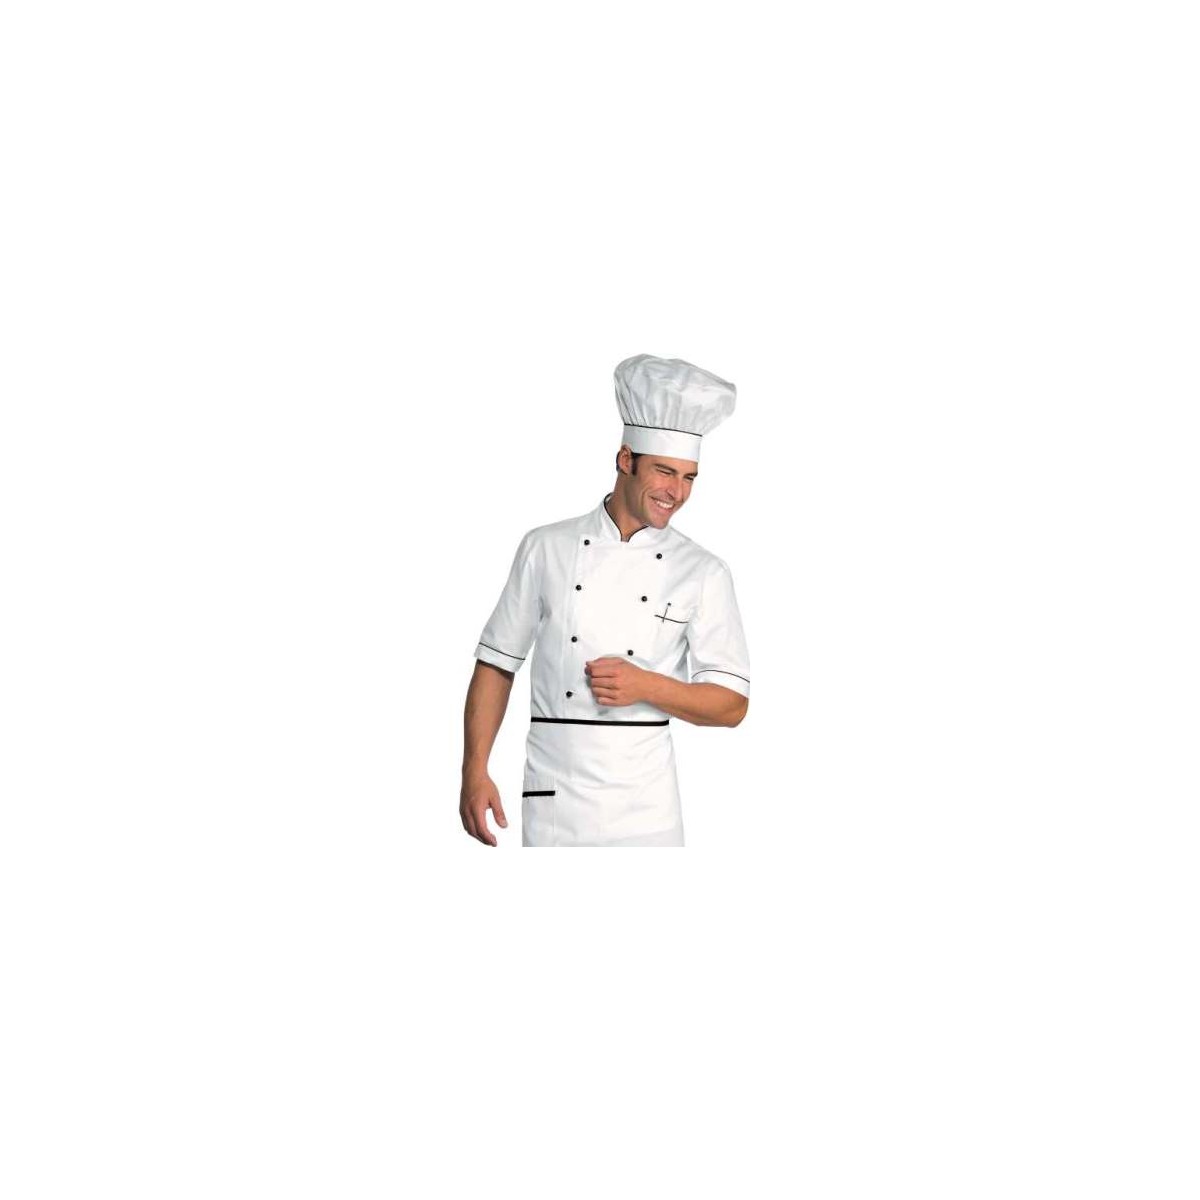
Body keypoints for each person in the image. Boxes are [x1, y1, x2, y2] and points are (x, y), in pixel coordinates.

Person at [460, 353, 751, 847]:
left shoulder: (703, 571)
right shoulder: (545, 547)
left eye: (689, 478)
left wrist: (646, 684)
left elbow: (731, 705)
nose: (676, 492)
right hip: (555, 802)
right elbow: (497, 663)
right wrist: (474, 770)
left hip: (647, 812)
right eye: (665, 472)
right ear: (625, 460)